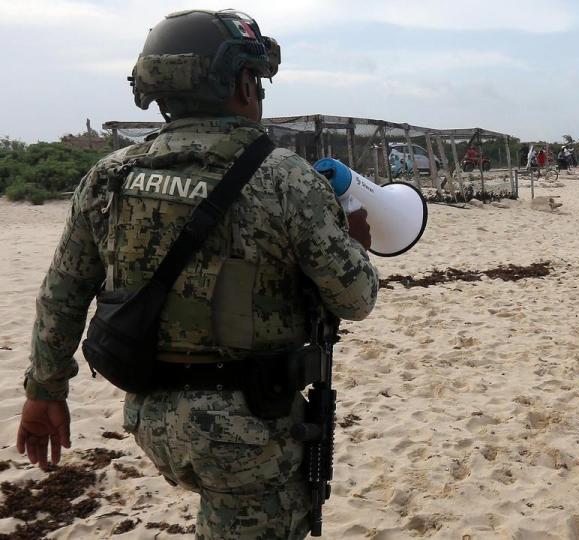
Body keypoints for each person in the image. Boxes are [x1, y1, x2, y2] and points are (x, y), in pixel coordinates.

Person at [15, 9, 378, 539]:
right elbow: (355, 299)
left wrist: (44, 391)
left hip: (151, 415)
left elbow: (62, 295)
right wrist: (355, 247)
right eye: (255, 78)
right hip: (249, 425)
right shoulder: (283, 179)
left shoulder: (110, 176)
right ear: (242, 84)